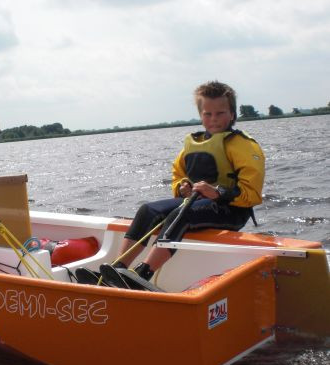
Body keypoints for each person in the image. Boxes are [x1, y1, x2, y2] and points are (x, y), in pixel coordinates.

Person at [77, 80, 265, 289]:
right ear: (200, 114)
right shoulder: (194, 143)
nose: (214, 119)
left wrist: (218, 193)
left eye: (220, 113)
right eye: (207, 114)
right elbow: (179, 174)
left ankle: (142, 275)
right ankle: (118, 270)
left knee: (182, 213)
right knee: (148, 210)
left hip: (231, 210)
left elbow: (253, 193)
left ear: (232, 114)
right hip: (196, 203)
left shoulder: (244, 146)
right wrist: (182, 187)